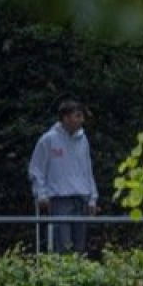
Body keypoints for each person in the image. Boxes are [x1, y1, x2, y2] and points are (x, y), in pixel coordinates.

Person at [28, 99, 99, 254]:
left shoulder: (83, 140)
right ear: (65, 118)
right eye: (77, 116)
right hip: (60, 199)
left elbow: (87, 169)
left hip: (81, 198)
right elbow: (36, 169)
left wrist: (92, 197)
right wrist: (41, 194)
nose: (82, 120)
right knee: (63, 244)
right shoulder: (48, 140)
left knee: (80, 247)